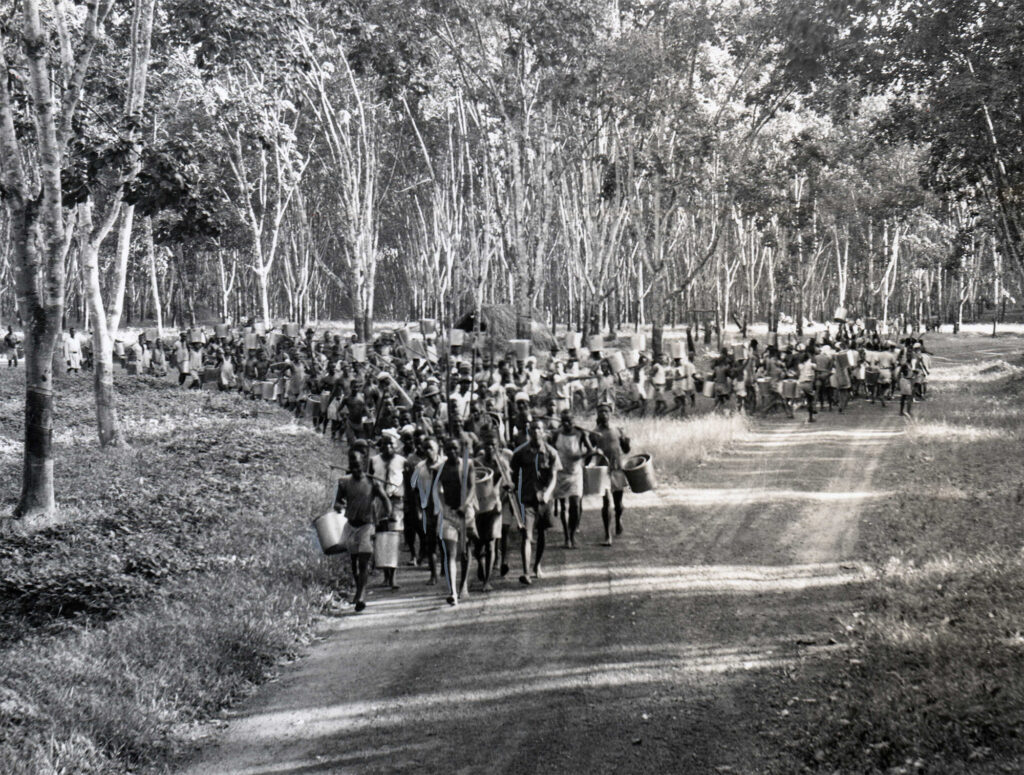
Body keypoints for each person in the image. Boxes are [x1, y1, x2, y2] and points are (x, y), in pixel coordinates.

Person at [333, 442, 391, 613]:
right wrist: (338, 506)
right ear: (349, 466)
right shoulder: (344, 482)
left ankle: (361, 594)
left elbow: (385, 500)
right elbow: (337, 501)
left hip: (367, 526)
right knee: (354, 562)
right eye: (353, 466)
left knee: (363, 562)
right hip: (351, 525)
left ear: (364, 464)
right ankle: (359, 590)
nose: (356, 469)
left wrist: (386, 515)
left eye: (358, 465)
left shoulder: (373, 483)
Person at [510, 417, 561, 585]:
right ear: (528, 433)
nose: (535, 432)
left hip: (544, 500)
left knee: (542, 534)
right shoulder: (520, 453)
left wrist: (547, 493)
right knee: (526, 535)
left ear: (544, 432)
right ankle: (525, 572)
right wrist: (512, 492)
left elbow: (554, 477)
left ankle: (537, 566)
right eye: (532, 430)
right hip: (527, 499)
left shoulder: (551, 453)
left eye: (538, 429)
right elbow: (513, 476)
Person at [436, 437, 477, 605]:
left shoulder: (468, 465)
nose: (452, 452)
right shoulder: (440, 468)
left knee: (465, 550)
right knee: (450, 554)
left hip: (466, 512)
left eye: (455, 448)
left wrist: (465, 504)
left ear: (459, 449)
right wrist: (443, 506)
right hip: (450, 514)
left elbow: (472, 487)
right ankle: (452, 591)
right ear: (444, 451)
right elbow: (438, 489)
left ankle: (463, 585)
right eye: (448, 449)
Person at [589, 402, 630, 545]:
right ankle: (607, 535)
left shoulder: (618, 430)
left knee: (618, 504)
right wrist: (593, 452)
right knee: (606, 503)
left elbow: (626, 450)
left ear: (610, 413)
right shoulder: (594, 434)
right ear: (597, 415)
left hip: (617, 469)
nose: (604, 415)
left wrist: (626, 441)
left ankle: (618, 519)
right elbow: (588, 454)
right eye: (601, 412)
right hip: (603, 470)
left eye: (606, 412)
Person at [370, 430, 406, 590]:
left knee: (394, 537)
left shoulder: (402, 461)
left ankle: (393, 577)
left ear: (395, 445)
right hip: (379, 501)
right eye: (384, 444)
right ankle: (385, 575)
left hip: (396, 501)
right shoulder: (374, 461)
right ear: (380, 446)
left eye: (391, 443)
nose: (388, 447)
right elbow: (369, 480)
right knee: (381, 537)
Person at [551, 409, 592, 548]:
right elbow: (550, 451)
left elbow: (590, 450)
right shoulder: (556, 434)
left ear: (574, 421)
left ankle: (573, 533)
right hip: (561, 473)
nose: (567, 424)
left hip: (575, 474)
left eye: (569, 421)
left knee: (575, 505)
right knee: (564, 507)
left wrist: (582, 459)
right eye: (564, 421)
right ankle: (567, 537)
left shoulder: (580, 434)